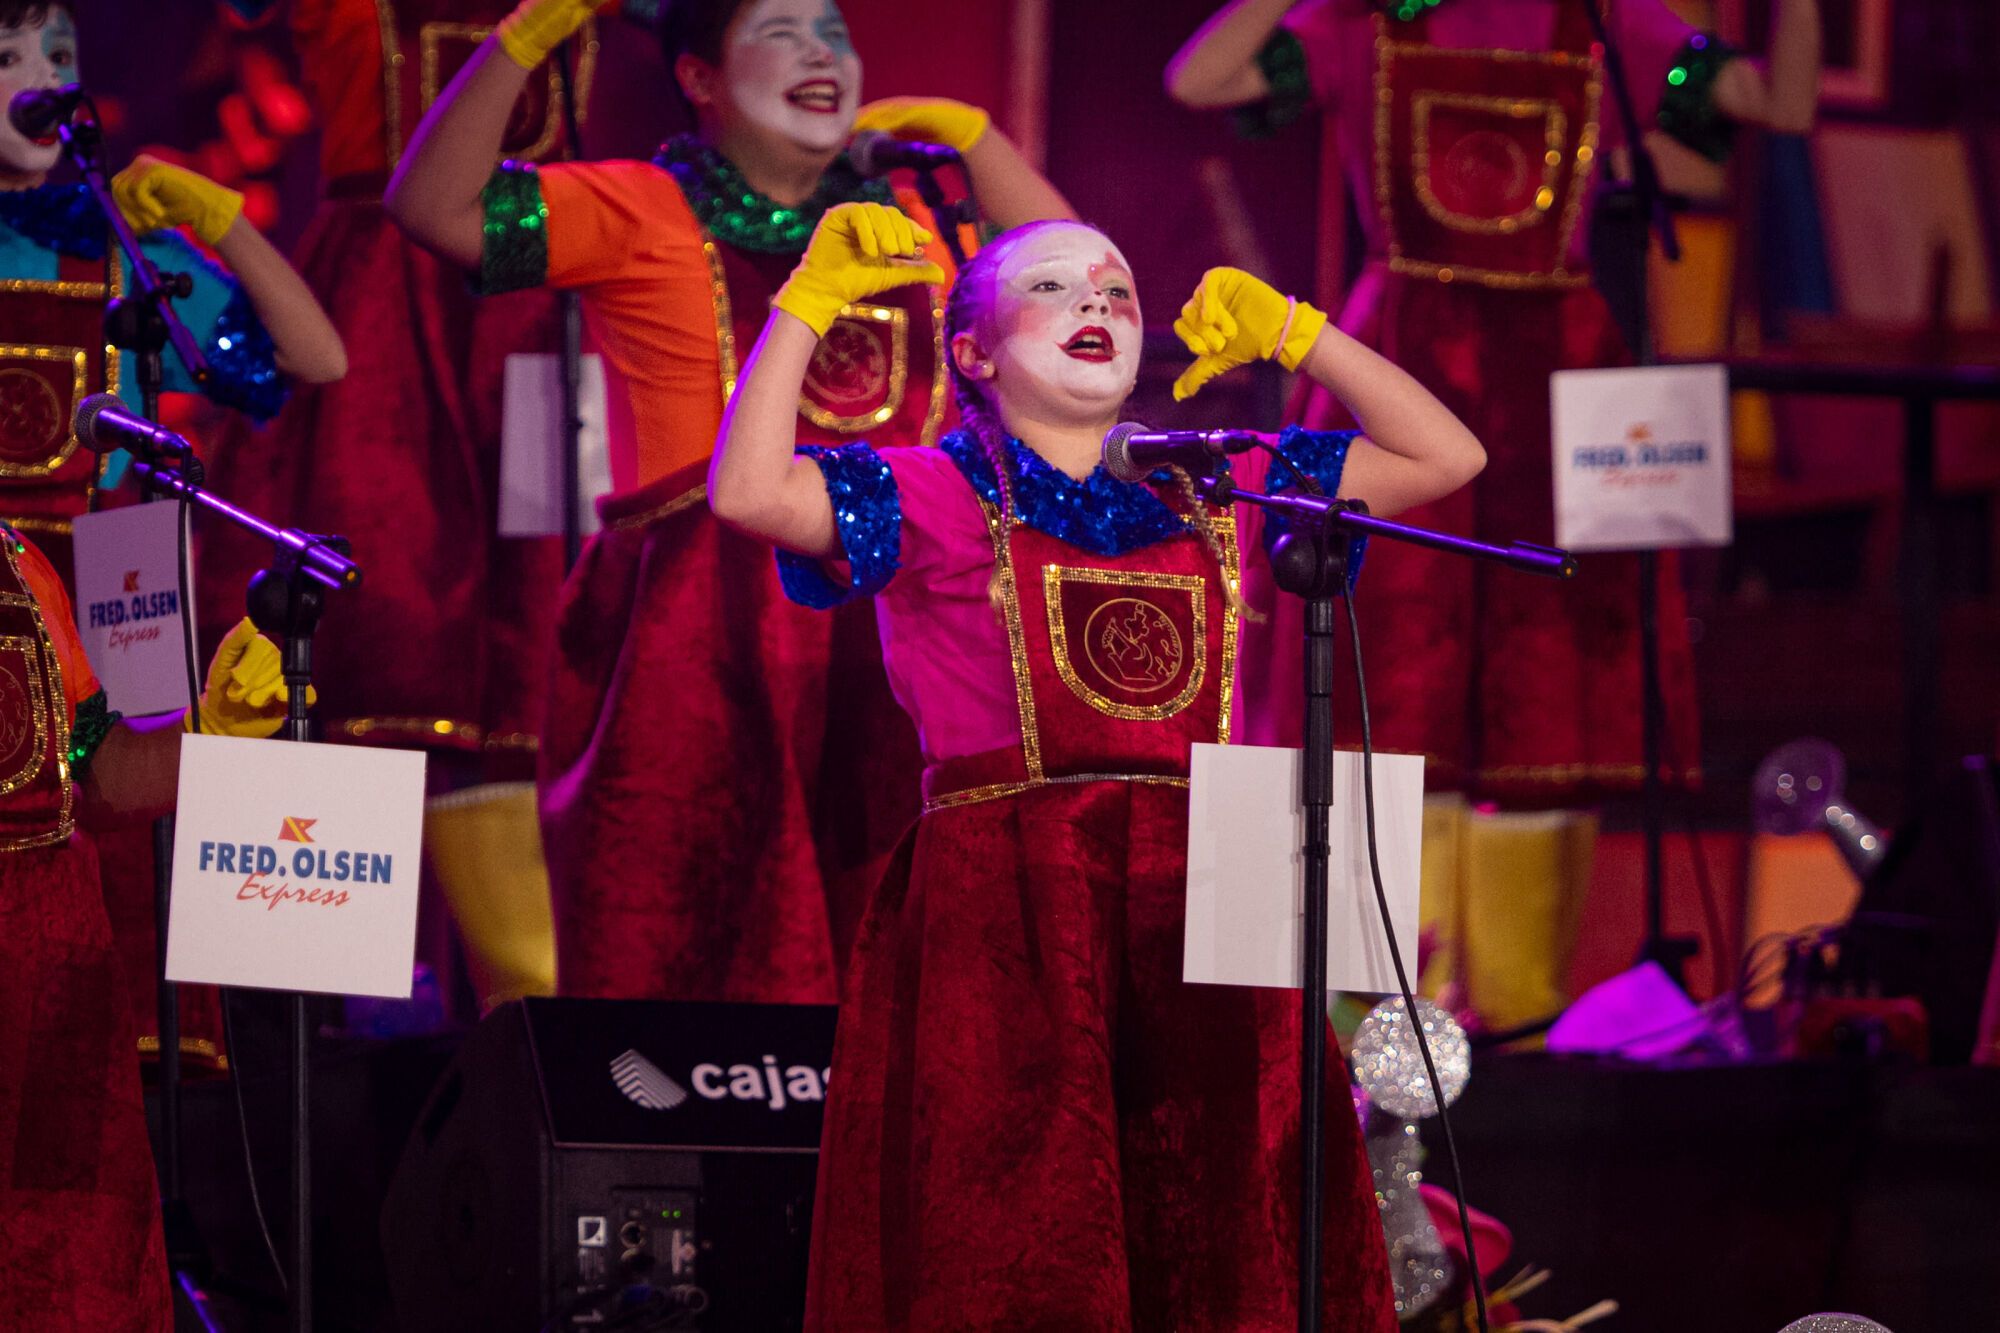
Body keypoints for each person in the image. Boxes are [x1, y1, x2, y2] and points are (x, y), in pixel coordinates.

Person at [709, 202, 1483, 1328]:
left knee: (1224, 1225)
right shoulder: (927, 490)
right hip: (1012, 902)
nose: (1097, 303)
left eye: (1117, 290)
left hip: (1213, 899)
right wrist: (805, 305)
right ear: (973, 354)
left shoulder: (1216, 483)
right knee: (1021, 1226)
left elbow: (1446, 456)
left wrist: (1297, 333)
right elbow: (745, 493)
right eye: (1053, 287)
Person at [387, 0, 1073, 1004]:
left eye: (833, 32)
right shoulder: (637, 204)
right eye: (780, 31)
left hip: (897, 630)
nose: (819, 52)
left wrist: (976, 139)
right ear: (699, 79)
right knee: (694, 937)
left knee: (905, 941)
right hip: (700, 637)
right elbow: (430, 206)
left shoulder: (914, 222)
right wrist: (522, 42)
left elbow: (1071, 281)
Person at [1166, 0, 1821, 1029]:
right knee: (1380, 673)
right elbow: (1198, 80)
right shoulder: (1366, 20)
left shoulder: (1600, 17)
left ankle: (1518, 1014)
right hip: (1402, 362)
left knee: (1548, 689)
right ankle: (1361, 1016)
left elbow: (1777, 105)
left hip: (1556, 384)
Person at [209, 0, 603, 1013]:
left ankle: (534, 1018)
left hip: (538, 312)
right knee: (366, 627)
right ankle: (314, 1018)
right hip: (380, 325)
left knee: (533, 650)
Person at [0, 0, 346, 1069]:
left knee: (130, 829)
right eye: (7, 56)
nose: (42, 76)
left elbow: (317, 360)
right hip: (8, 584)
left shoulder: (125, 254)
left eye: (60, 53)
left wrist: (216, 219)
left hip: (109, 575)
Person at [0, 521, 306, 1330]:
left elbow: (98, 776)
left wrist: (211, 725)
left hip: (58, 1017)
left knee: (74, 1283)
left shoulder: (23, 563)